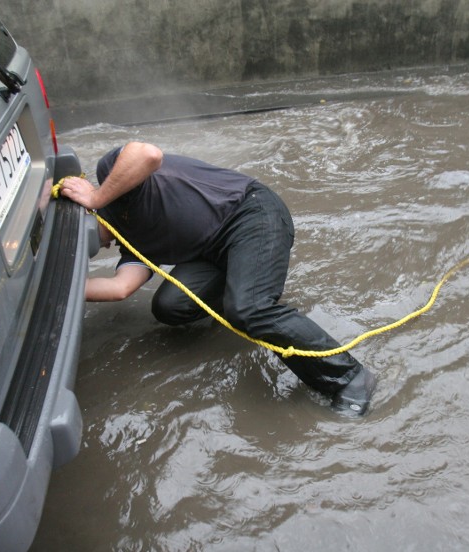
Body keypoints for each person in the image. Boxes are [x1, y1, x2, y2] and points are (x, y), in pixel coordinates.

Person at [59, 142, 376, 415]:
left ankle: (350, 377)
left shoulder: (115, 181)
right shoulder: (129, 241)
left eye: (89, 244)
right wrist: (56, 293)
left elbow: (148, 153)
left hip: (251, 213)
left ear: (85, 210)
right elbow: (119, 288)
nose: (101, 248)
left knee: (249, 309)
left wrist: (98, 198)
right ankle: (245, 287)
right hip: (214, 252)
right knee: (169, 306)